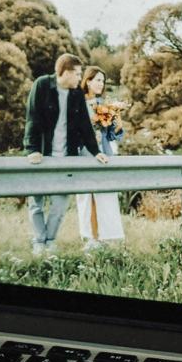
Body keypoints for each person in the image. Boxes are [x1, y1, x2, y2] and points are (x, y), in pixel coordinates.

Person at [23, 53, 106, 256]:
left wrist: (95, 152)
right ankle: (39, 242)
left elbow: (85, 125)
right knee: (36, 202)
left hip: (66, 157)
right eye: (77, 74)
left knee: (59, 205)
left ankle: (49, 241)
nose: (80, 79)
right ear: (66, 73)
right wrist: (32, 149)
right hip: (42, 155)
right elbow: (32, 119)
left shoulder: (76, 93)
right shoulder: (42, 85)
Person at [75, 69, 126, 250]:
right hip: (85, 154)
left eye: (103, 81)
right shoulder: (78, 103)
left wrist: (118, 124)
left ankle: (107, 237)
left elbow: (113, 135)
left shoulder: (105, 105)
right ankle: (91, 236)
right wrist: (86, 139)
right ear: (87, 81)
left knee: (105, 195)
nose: (101, 84)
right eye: (97, 80)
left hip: (103, 153)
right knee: (86, 196)